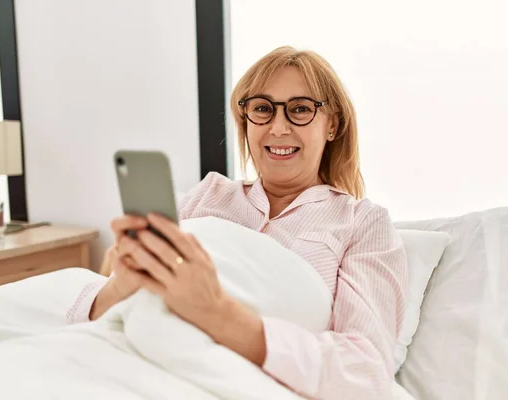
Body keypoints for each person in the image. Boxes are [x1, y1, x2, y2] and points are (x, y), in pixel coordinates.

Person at [66, 46, 408, 400]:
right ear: (246, 121)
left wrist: (216, 312)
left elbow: (365, 373)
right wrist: (121, 284)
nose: (278, 128)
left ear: (332, 125)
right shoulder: (208, 195)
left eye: (301, 110)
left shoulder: (363, 224)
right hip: (132, 364)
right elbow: (83, 316)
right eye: (262, 109)